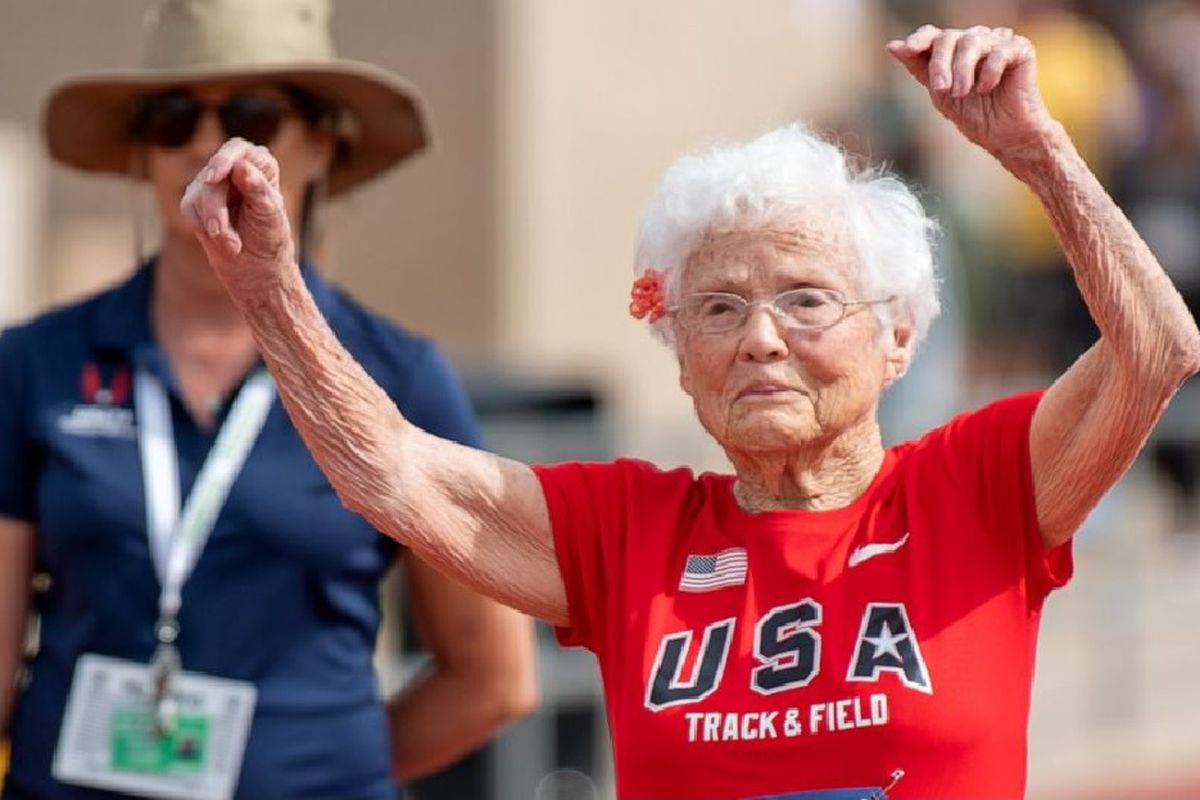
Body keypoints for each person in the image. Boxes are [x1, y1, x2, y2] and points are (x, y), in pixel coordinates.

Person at [183, 22, 1200, 800]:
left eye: (806, 298)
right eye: (718, 307)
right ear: (680, 357)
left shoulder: (975, 488)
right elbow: (391, 471)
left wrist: (1036, 152)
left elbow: (1157, 347)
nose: (761, 336)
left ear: (899, 336)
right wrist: (270, 288)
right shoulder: (629, 532)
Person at [0, 1, 536, 799]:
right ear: (143, 151)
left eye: (250, 117)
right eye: (172, 116)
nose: (204, 147)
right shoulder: (33, 364)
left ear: (321, 147)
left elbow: (495, 679)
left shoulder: (401, 377)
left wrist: (322, 768)